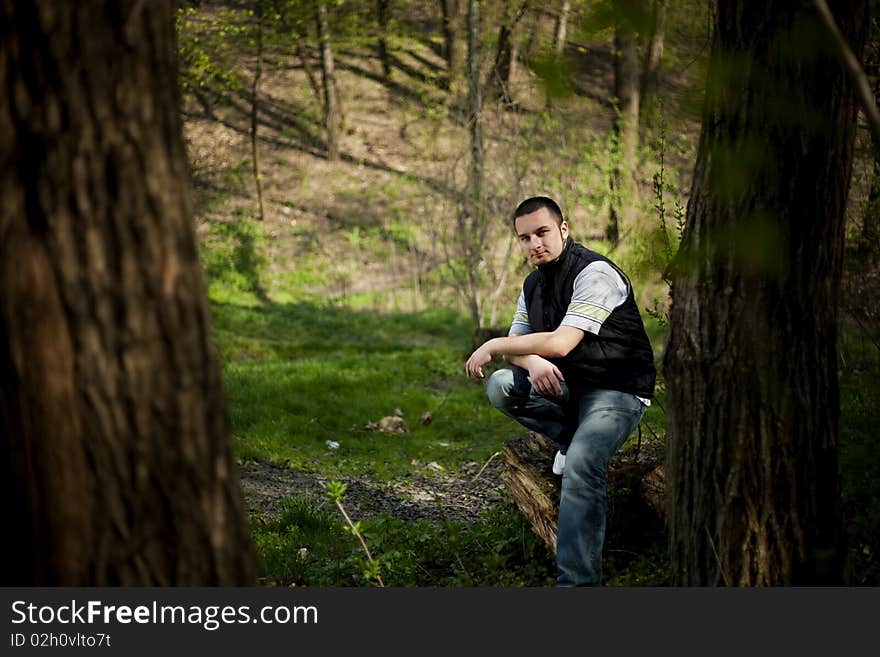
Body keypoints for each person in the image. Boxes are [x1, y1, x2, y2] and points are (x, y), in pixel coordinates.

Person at [465, 196, 656, 586]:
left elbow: (560, 343)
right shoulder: (533, 283)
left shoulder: (594, 272)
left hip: (616, 391)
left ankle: (576, 585)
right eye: (524, 237)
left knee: (584, 465)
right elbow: (526, 347)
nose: (534, 243)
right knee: (503, 385)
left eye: (542, 232)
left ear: (564, 229)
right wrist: (531, 362)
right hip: (569, 389)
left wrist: (494, 345)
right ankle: (570, 438)